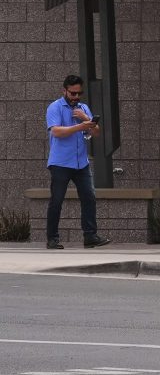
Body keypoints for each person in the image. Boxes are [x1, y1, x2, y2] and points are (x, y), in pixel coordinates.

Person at [44, 75, 110, 249]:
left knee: (89, 197)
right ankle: (52, 239)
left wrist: (85, 119)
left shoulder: (83, 108)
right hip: (60, 163)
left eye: (79, 93)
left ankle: (90, 236)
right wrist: (80, 126)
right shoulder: (55, 107)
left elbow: (95, 131)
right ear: (64, 90)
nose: (76, 97)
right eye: (72, 93)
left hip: (81, 163)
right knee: (57, 200)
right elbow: (56, 131)